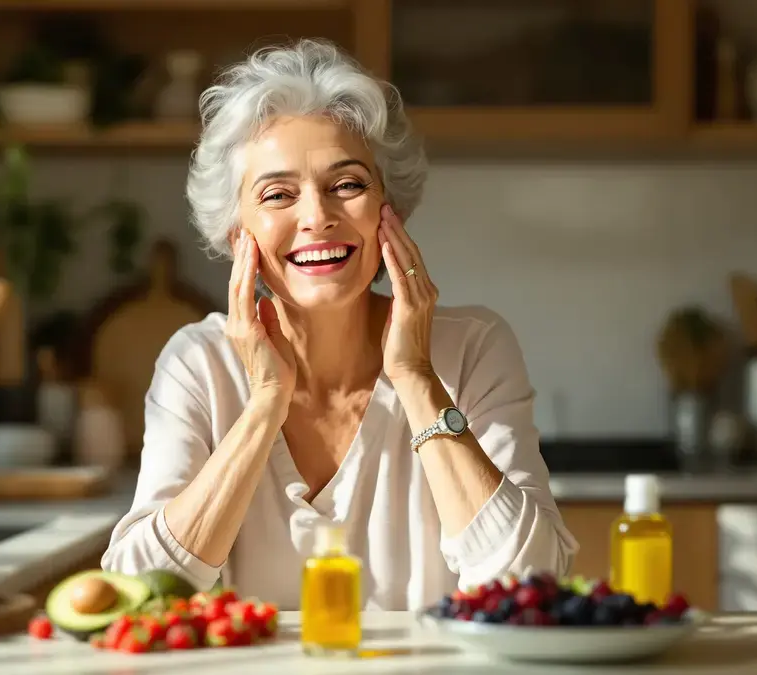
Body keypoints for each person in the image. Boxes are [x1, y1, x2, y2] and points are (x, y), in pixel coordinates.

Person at [102, 39, 577, 610]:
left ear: (388, 207)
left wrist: (417, 378)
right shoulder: (198, 362)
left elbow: (531, 585)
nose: (318, 217)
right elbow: (138, 588)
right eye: (277, 194)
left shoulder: (472, 348)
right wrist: (264, 405)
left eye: (347, 185)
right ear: (237, 236)